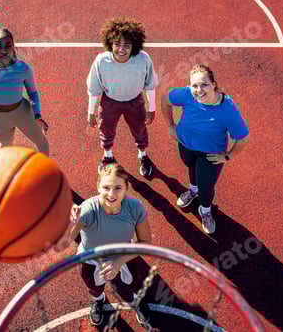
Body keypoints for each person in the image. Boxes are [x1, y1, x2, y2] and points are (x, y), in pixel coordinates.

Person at [54, 163, 153, 327]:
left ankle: (137, 299)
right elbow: (60, 247)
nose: (111, 194)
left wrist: (119, 261)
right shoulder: (87, 210)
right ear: (98, 187)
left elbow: (145, 242)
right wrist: (70, 224)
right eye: (106, 187)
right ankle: (98, 301)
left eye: (118, 188)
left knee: (135, 282)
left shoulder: (135, 207)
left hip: (123, 253)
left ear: (126, 188)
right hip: (91, 258)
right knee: (94, 287)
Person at [160, 64, 249, 234]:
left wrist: (228, 156)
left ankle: (205, 210)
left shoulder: (227, 109)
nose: (199, 90)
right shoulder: (187, 95)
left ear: (214, 84)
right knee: (191, 168)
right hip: (186, 145)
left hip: (211, 155)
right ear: (189, 87)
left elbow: (243, 138)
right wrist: (170, 125)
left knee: (206, 186)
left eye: (204, 84)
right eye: (194, 85)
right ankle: (193, 191)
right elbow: (165, 100)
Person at [86, 17, 158, 176]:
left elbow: (150, 84)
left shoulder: (143, 59)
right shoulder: (101, 61)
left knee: (140, 130)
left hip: (135, 101)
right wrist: (91, 112)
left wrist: (151, 108)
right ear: (110, 43)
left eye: (127, 45)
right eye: (117, 44)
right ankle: (107, 156)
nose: (121, 49)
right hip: (110, 102)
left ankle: (143, 155)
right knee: (106, 130)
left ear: (134, 45)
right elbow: (94, 88)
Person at [0, 25, 49, 156]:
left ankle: (45, 173)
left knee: (42, 143)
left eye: (8, 45)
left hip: (23, 113)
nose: (3, 50)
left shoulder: (23, 69)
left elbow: (33, 92)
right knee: (5, 148)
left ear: (13, 46)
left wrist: (37, 114)